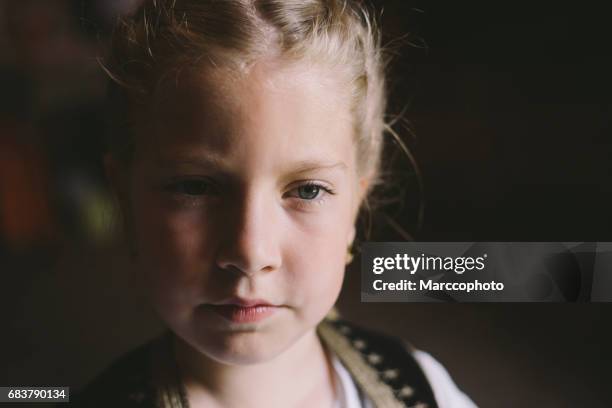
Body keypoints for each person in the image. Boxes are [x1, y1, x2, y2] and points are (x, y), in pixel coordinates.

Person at [72, 1, 477, 407]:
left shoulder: (422, 385)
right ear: (124, 199)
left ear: (356, 203)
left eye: (307, 191)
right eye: (195, 187)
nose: (251, 252)